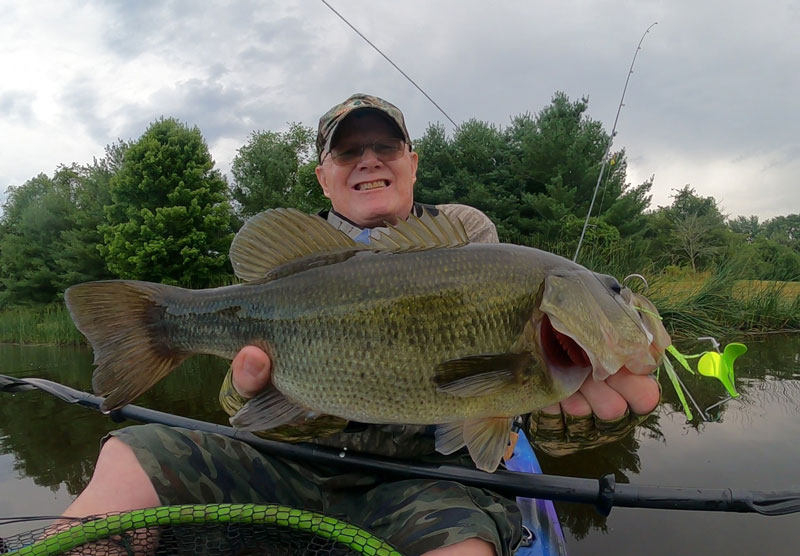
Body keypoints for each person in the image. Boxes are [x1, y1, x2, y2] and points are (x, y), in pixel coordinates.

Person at [64, 93, 661, 556]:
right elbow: (242, 414)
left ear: (412, 164)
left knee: (466, 545)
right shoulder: (299, 263)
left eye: (386, 147)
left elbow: (506, 429)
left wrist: (570, 426)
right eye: (349, 152)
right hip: (290, 467)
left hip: (421, 481)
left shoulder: (477, 250)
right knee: (130, 456)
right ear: (324, 177)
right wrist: (248, 388)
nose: (369, 159)